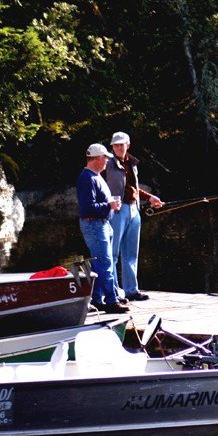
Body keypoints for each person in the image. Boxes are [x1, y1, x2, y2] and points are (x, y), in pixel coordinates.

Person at [101, 131, 163, 302]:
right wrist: (106, 204)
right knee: (112, 254)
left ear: (128, 145)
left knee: (131, 254)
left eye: (122, 144)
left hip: (134, 210)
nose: (119, 147)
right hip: (116, 212)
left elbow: (132, 187)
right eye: (116, 145)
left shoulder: (133, 163)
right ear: (112, 147)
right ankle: (113, 293)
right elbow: (98, 185)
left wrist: (149, 197)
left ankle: (131, 290)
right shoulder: (107, 163)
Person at [76, 143, 128, 314]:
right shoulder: (87, 178)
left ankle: (97, 299)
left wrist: (111, 206)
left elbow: (98, 204)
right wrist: (110, 205)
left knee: (103, 263)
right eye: (105, 158)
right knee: (104, 263)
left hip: (103, 223)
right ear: (98, 158)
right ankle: (112, 301)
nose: (107, 161)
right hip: (94, 224)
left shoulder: (96, 176)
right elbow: (88, 207)